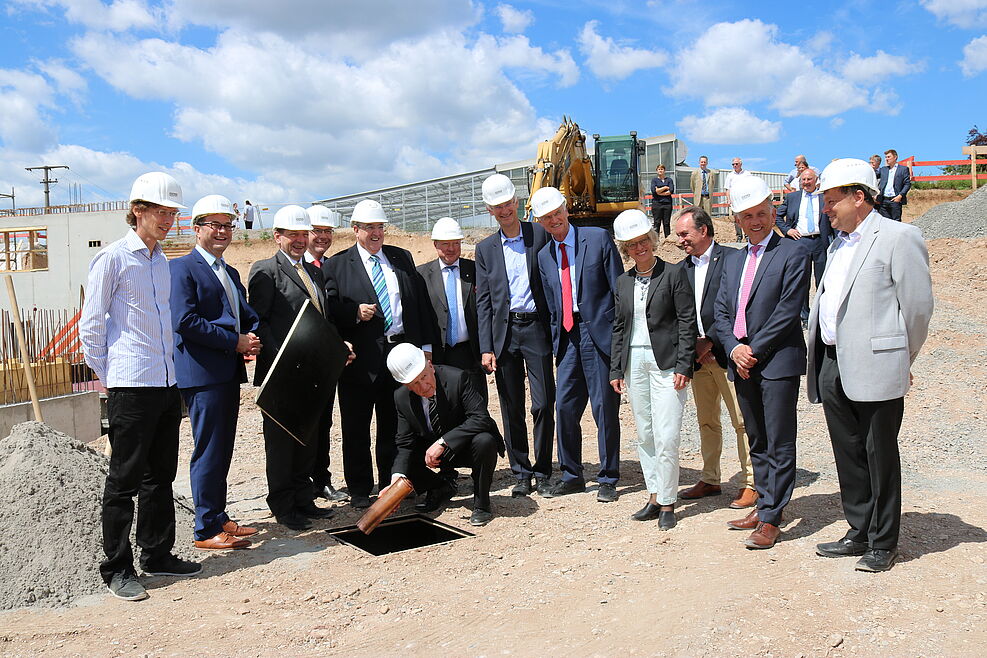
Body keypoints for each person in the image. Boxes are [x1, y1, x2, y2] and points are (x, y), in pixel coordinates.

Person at [80, 172, 201, 602]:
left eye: (173, 212)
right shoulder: (113, 259)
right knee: (123, 481)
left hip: (166, 383)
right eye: (161, 212)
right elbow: (91, 327)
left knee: (160, 478)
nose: (168, 219)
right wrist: (112, 382)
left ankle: (157, 554)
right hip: (131, 386)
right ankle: (116, 568)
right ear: (137, 210)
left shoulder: (161, 261)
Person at [809, 158, 934, 572]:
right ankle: (857, 530)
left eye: (832, 201)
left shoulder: (899, 237)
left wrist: (903, 358)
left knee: (879, 452)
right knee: (848, 452)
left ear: (858, 197)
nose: (826, 209)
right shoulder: (836, 243)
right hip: (831, 361)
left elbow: (917, 309)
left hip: (876, 364)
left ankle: (883, 542)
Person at [713, 175, 810, 550]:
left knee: (779, 440)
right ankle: (765, 502)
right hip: (742, 362)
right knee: (757, 437)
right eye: (747, 215)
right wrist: (733, 348)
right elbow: (722, 310)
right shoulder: (734, 259)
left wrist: (750, 349)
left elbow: (788, 312)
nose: (755, 221)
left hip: (776, 361)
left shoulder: (793, 253)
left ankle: (772, 517)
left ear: (773, 211)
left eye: (761, 213)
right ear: (737, 219)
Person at [323, 199, 434, 509]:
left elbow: (419, 305)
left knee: (395, 424)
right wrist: (355, 313)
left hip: (400, 355)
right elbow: (329, 312)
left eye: (380, 227)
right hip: (360, 360)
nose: (375, 233)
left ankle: (391, 482)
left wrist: (425, 350)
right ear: (355, 229)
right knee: (356, 427)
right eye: (369, 227)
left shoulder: (401, 258)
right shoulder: (337, 265)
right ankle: (359, 488)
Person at [170, 194, 261, 551]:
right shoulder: (183, 268)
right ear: (197, 229)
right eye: (214, 225)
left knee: (222, 449)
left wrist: (253, 336)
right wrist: (234, 342)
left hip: (225, 371)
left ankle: (219, 516)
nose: (223, 231)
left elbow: (243, 314)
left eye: (228, 225)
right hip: (202, 373)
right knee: (208, 450)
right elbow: (184, 321)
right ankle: (205, 528)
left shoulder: (229, 271)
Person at [248, 205, 336, 531]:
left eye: (303, 234)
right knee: (282, 444)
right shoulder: (265, 270)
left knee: (307, 440)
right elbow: (259, 321)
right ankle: (283, 506)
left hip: (311, 373)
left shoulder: (313, 272)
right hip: (282, 375)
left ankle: (304, 498)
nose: (299, 240)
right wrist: (284, 358)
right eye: (292, 235)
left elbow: (320, 320)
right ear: (277, 236)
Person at [534, 187, 623, 502]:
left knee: (603, 409)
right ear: (541, 222)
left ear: (566, 210)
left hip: (597, 333)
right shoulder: (544, 256)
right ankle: (572, 475)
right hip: (568, 338)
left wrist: (619, 340)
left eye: (557, 213)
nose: (554, 220)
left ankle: (608, 477)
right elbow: (550, 302)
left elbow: (618, 288)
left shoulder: (597, 238)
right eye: (547, 217)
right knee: (565, 408)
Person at [609, 210, 695, 529]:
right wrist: (616, 368)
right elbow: (619, 327)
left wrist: (685, 363)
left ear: (652, 240)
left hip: (667, 364)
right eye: (632, 244)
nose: (639, 247)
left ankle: (669, 502)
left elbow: (687, 322)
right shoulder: (623, 281)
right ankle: (655, 495)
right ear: (625, 249)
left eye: (643, 240)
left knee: (667, 433)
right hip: (635, 364)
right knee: (645, 432)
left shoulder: (674, 274)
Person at [474, 174, 556, 497]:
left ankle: (544, 469)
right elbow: (484, 302)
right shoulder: (485, 249)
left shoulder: (540, 234)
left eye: (508, 203)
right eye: (498, 206)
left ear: (517, 202)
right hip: (504, 334)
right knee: (511, 406)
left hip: (536, 328)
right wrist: (486, 347)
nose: (505, 210)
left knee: (543, 402)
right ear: (490, 210)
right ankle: (522, 472)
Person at [674, 206, 756, 510]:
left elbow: (740, 307)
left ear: (704, 230)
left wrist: (712, 342)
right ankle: (710, 478)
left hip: (726, 354)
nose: (681, 240)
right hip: (698, 360)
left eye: (685, 234)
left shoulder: (734, 260)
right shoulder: (683, 269)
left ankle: (751, 482)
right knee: (707, 421)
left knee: (742, 421)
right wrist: (694, 348)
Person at [382, 343, 504, 526]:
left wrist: (443, 442)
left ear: (430, 365)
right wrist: (396, 480)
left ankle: (482, 504)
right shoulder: (401, 398)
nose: (423, 386)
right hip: (431, 454)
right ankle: (439, 487)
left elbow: (481, 418)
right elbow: (404, 444)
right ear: (405, 385)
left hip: (464, 446)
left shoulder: (457, 378)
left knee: (485, 440)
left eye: (424, 376)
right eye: (414, 383)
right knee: (397, 455)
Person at [304, 204, 348, 503]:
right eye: (316, 231)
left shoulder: (331, 267)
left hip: (327, 362)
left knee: (324, 423)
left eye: (327, 231)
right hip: (302, 360)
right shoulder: (295, 268)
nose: (322, 237)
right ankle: (302, 481)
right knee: (304, 422)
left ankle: (321, 478)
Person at [418, 217, 485, 402]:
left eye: (456, 243)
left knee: (476, 407)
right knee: (446, 406)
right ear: (435, 244)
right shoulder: (421, 275)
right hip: (438, 355)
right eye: (445, 244)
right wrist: (425, 349)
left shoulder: (475, 270)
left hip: (470, 354)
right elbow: (419, 315)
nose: (451, 248)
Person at [775, 168, 836, 326]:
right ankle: (805, 316)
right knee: (802, 281)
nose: (806, 182)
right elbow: (777, 217)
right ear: (800, 181)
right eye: (803, 180)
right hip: (799, 242)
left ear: (816, 180)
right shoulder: (792, 197)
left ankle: (823, 314)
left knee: (823, 280)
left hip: (820, 242)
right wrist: (787, 230)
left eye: (809, 179)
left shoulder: (824, 196)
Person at [877, 149, 911, 222]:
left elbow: (907, 184)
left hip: (895, 199)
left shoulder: (903, 169)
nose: (886, 159)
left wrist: (900, 196)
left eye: (888, 157)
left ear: (895, 157)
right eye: (886, 157)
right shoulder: (883, 169)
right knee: (884, 222)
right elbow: (874, 176)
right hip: (884, 200)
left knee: (896, 222)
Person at [724, 158, 750, 241]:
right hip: (735, 200)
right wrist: (728, 199)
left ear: (740, 164)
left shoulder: (747, 174)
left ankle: (747, 235)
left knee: (746, 217)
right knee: (737, 219)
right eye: (733, 164)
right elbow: (728, 189)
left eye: (736, 164)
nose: (735, 166)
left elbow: (751, 185)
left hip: (745, 199)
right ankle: (739, 236)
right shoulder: (730, 175)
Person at [649, 164, 675, 238]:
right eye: (659, 169)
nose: (660, 170)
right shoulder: (654, 180)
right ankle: (656, 240)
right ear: (657, 171)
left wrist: (659, 191)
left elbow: (671, 191)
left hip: (667, 204)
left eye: (662, 169)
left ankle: (668, 239)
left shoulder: (669, 180)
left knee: (666, 223)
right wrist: (665, 187)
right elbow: (654, 191)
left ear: (664, 170)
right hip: (657, 204)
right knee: (657, 223)